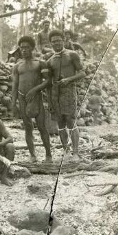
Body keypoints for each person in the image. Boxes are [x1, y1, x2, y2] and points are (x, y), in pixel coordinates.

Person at [46, 30, 86, 161]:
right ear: (50, 43)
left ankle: (75, 153)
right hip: (55, 94)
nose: (56, 43)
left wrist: (68, 79)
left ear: (63, 40)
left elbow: (82, 73)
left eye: (58, 40)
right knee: (60, 123)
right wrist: (50, 101)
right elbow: (48, 82)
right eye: (53, 41)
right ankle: (66, 151)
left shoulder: (72, 55)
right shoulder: (50, 61)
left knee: (71, 121)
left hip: (69, 91)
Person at [12, 36, 52, 163]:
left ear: (32, 48)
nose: (24, 50)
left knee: (42, 127)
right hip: (22, 98)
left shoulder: (40, 63)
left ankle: (48, 155)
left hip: (36, 98)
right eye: (22, 48)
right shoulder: (17, 66)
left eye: (27, 47)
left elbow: (48, 81)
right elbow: (14, 86)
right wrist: (13, 104)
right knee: (28, 127)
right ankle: (32, 155)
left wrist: (35, 90)